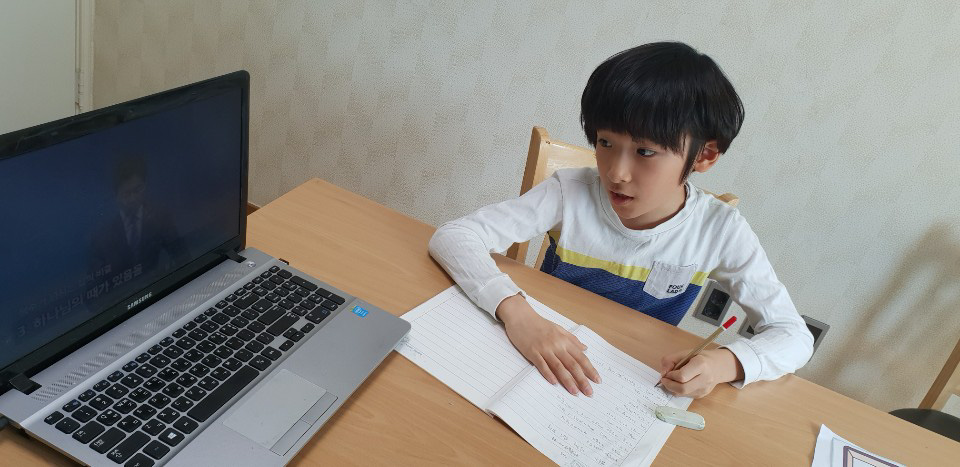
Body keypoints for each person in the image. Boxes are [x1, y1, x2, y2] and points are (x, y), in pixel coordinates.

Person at [428, 42, 814, 399]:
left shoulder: (720, 231)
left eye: (645, 152)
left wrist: (724, 364)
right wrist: (518, 314)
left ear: (704, 155)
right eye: (605, 143)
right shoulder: (571, 192)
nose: (616, 173)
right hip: (539, 357)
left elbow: (794, 336)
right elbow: (455, 237)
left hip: (631, 381)